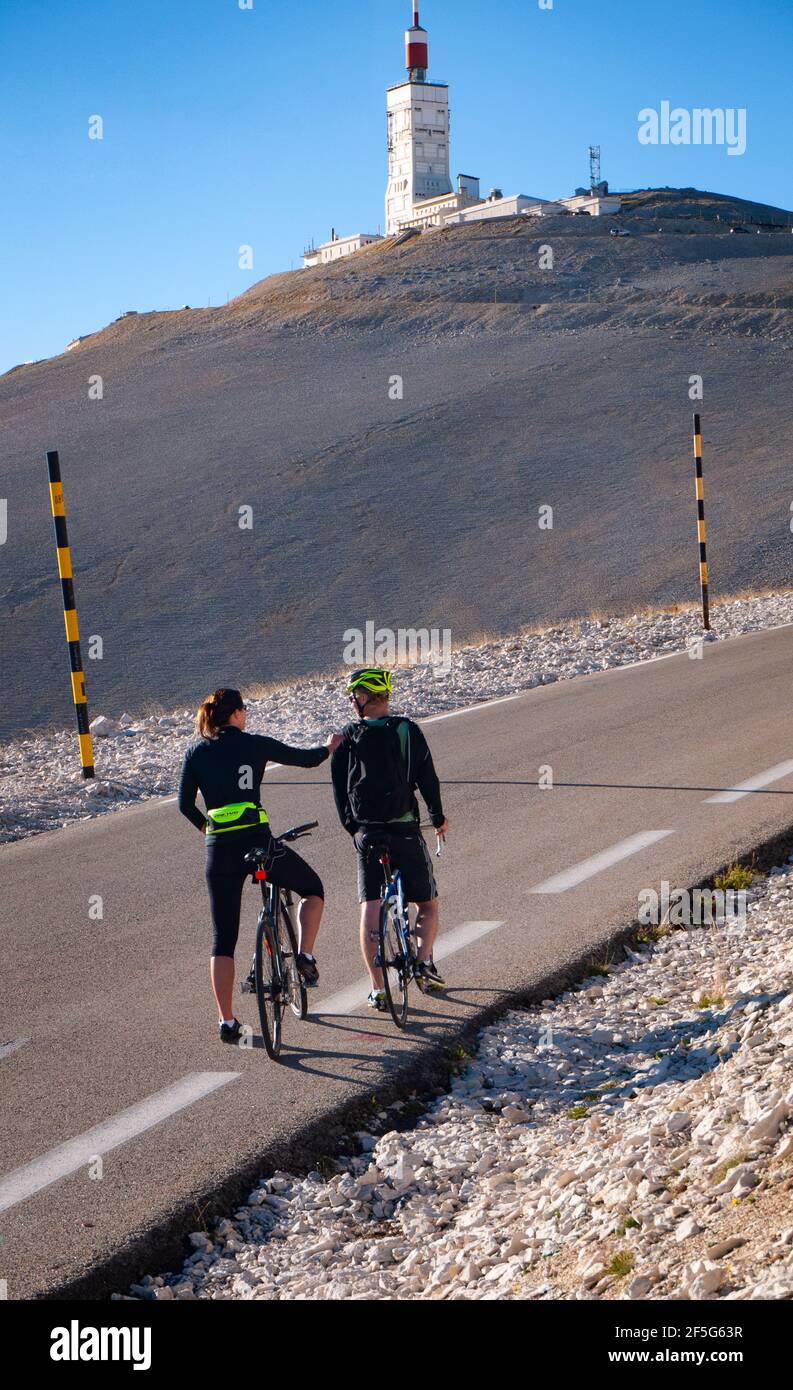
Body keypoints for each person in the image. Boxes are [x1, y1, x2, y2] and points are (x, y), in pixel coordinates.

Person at [178, 687, 341, 1042]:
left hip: (219, 850)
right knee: (313, 889)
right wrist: (329, 747)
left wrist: (210, 828)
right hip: (258, 844)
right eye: (244, 710)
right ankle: (305, 957)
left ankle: (227, 1022)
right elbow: (307, 758)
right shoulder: (254, 744)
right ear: (236, 714)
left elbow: (184, 805)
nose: (246, 715)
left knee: (223, 939)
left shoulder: (195, 751)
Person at [330, 668, 449, 1011]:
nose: (352, 702)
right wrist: (437, 818)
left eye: (353, 696)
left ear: (364, 697)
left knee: (370, 907)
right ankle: (423, 961)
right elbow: (428, 777)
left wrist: (352, 827)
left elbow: (339, 788)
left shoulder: (347, 737)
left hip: (367, 832)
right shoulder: (407, 730)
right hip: (404, 829)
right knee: (426, 904)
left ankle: (378, 988)